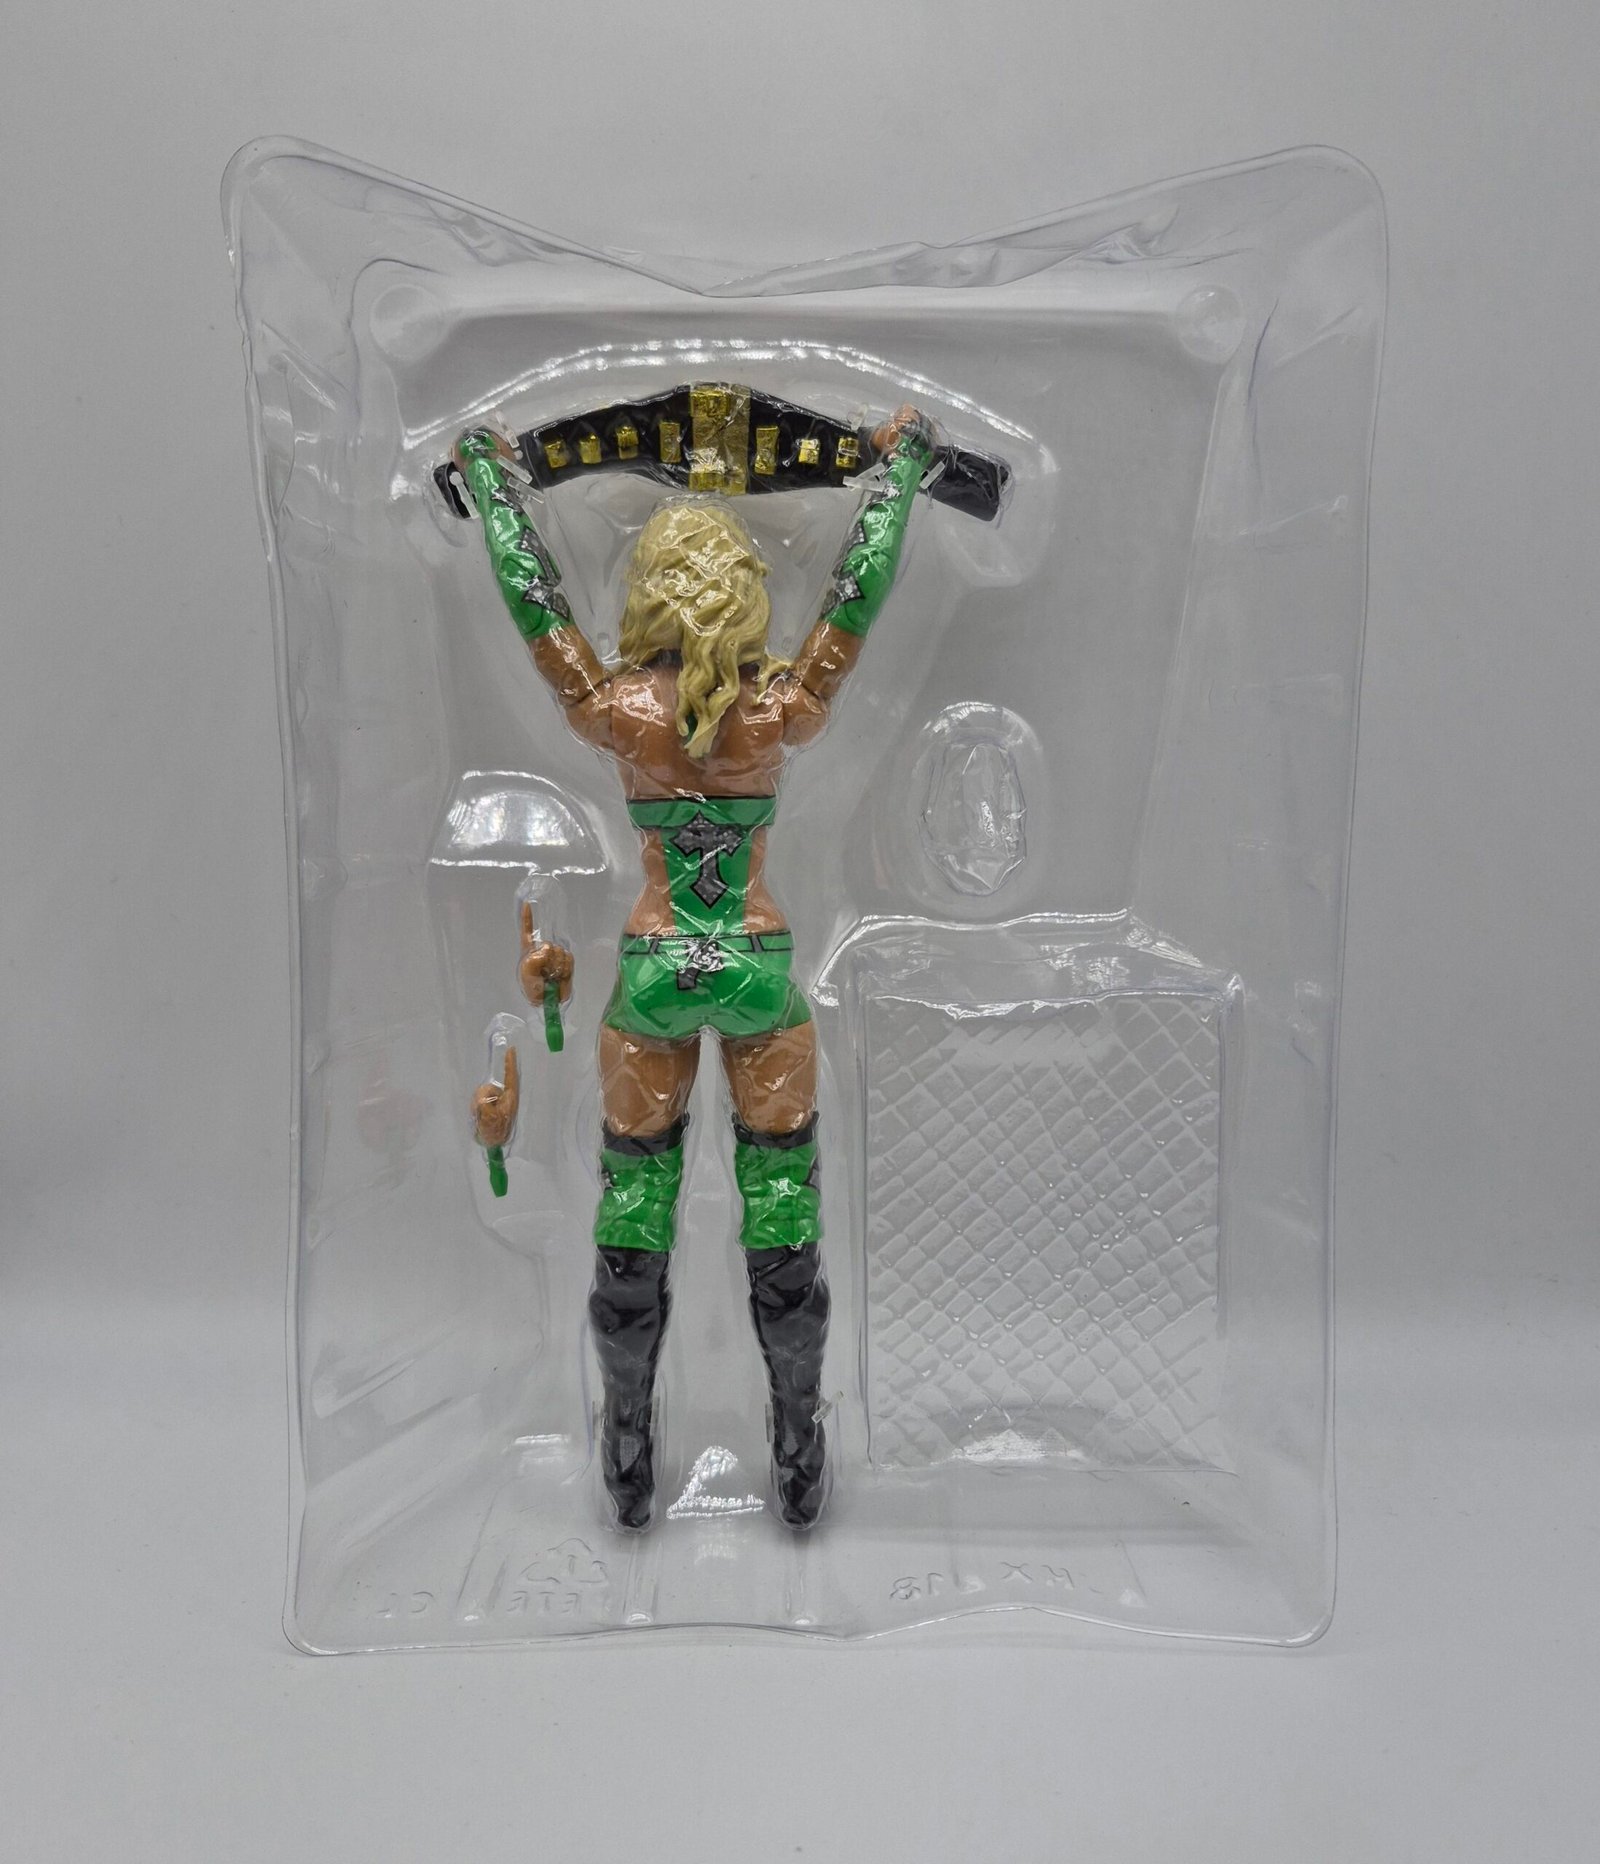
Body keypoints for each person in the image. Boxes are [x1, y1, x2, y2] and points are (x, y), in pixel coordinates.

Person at [458, 401, 936, 1529]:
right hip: (758, 966)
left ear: (652, 592)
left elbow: (538, 609)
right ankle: (798, 1439)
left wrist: (492, 491)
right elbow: (852, 602)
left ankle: (627, 1443)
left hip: (655, 969)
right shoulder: (776, 712)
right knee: (782, 1208)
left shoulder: (620, 712)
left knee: (635, 1204)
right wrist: (895, 482)